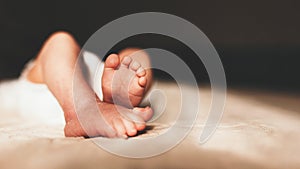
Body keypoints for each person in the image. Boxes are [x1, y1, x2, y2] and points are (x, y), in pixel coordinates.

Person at [0, 31, 153, 138]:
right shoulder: (13, 90)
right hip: (60, 82)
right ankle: (82, 108)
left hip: (99, 76)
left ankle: (112, 102)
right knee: (60, 40)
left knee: (136, 54)